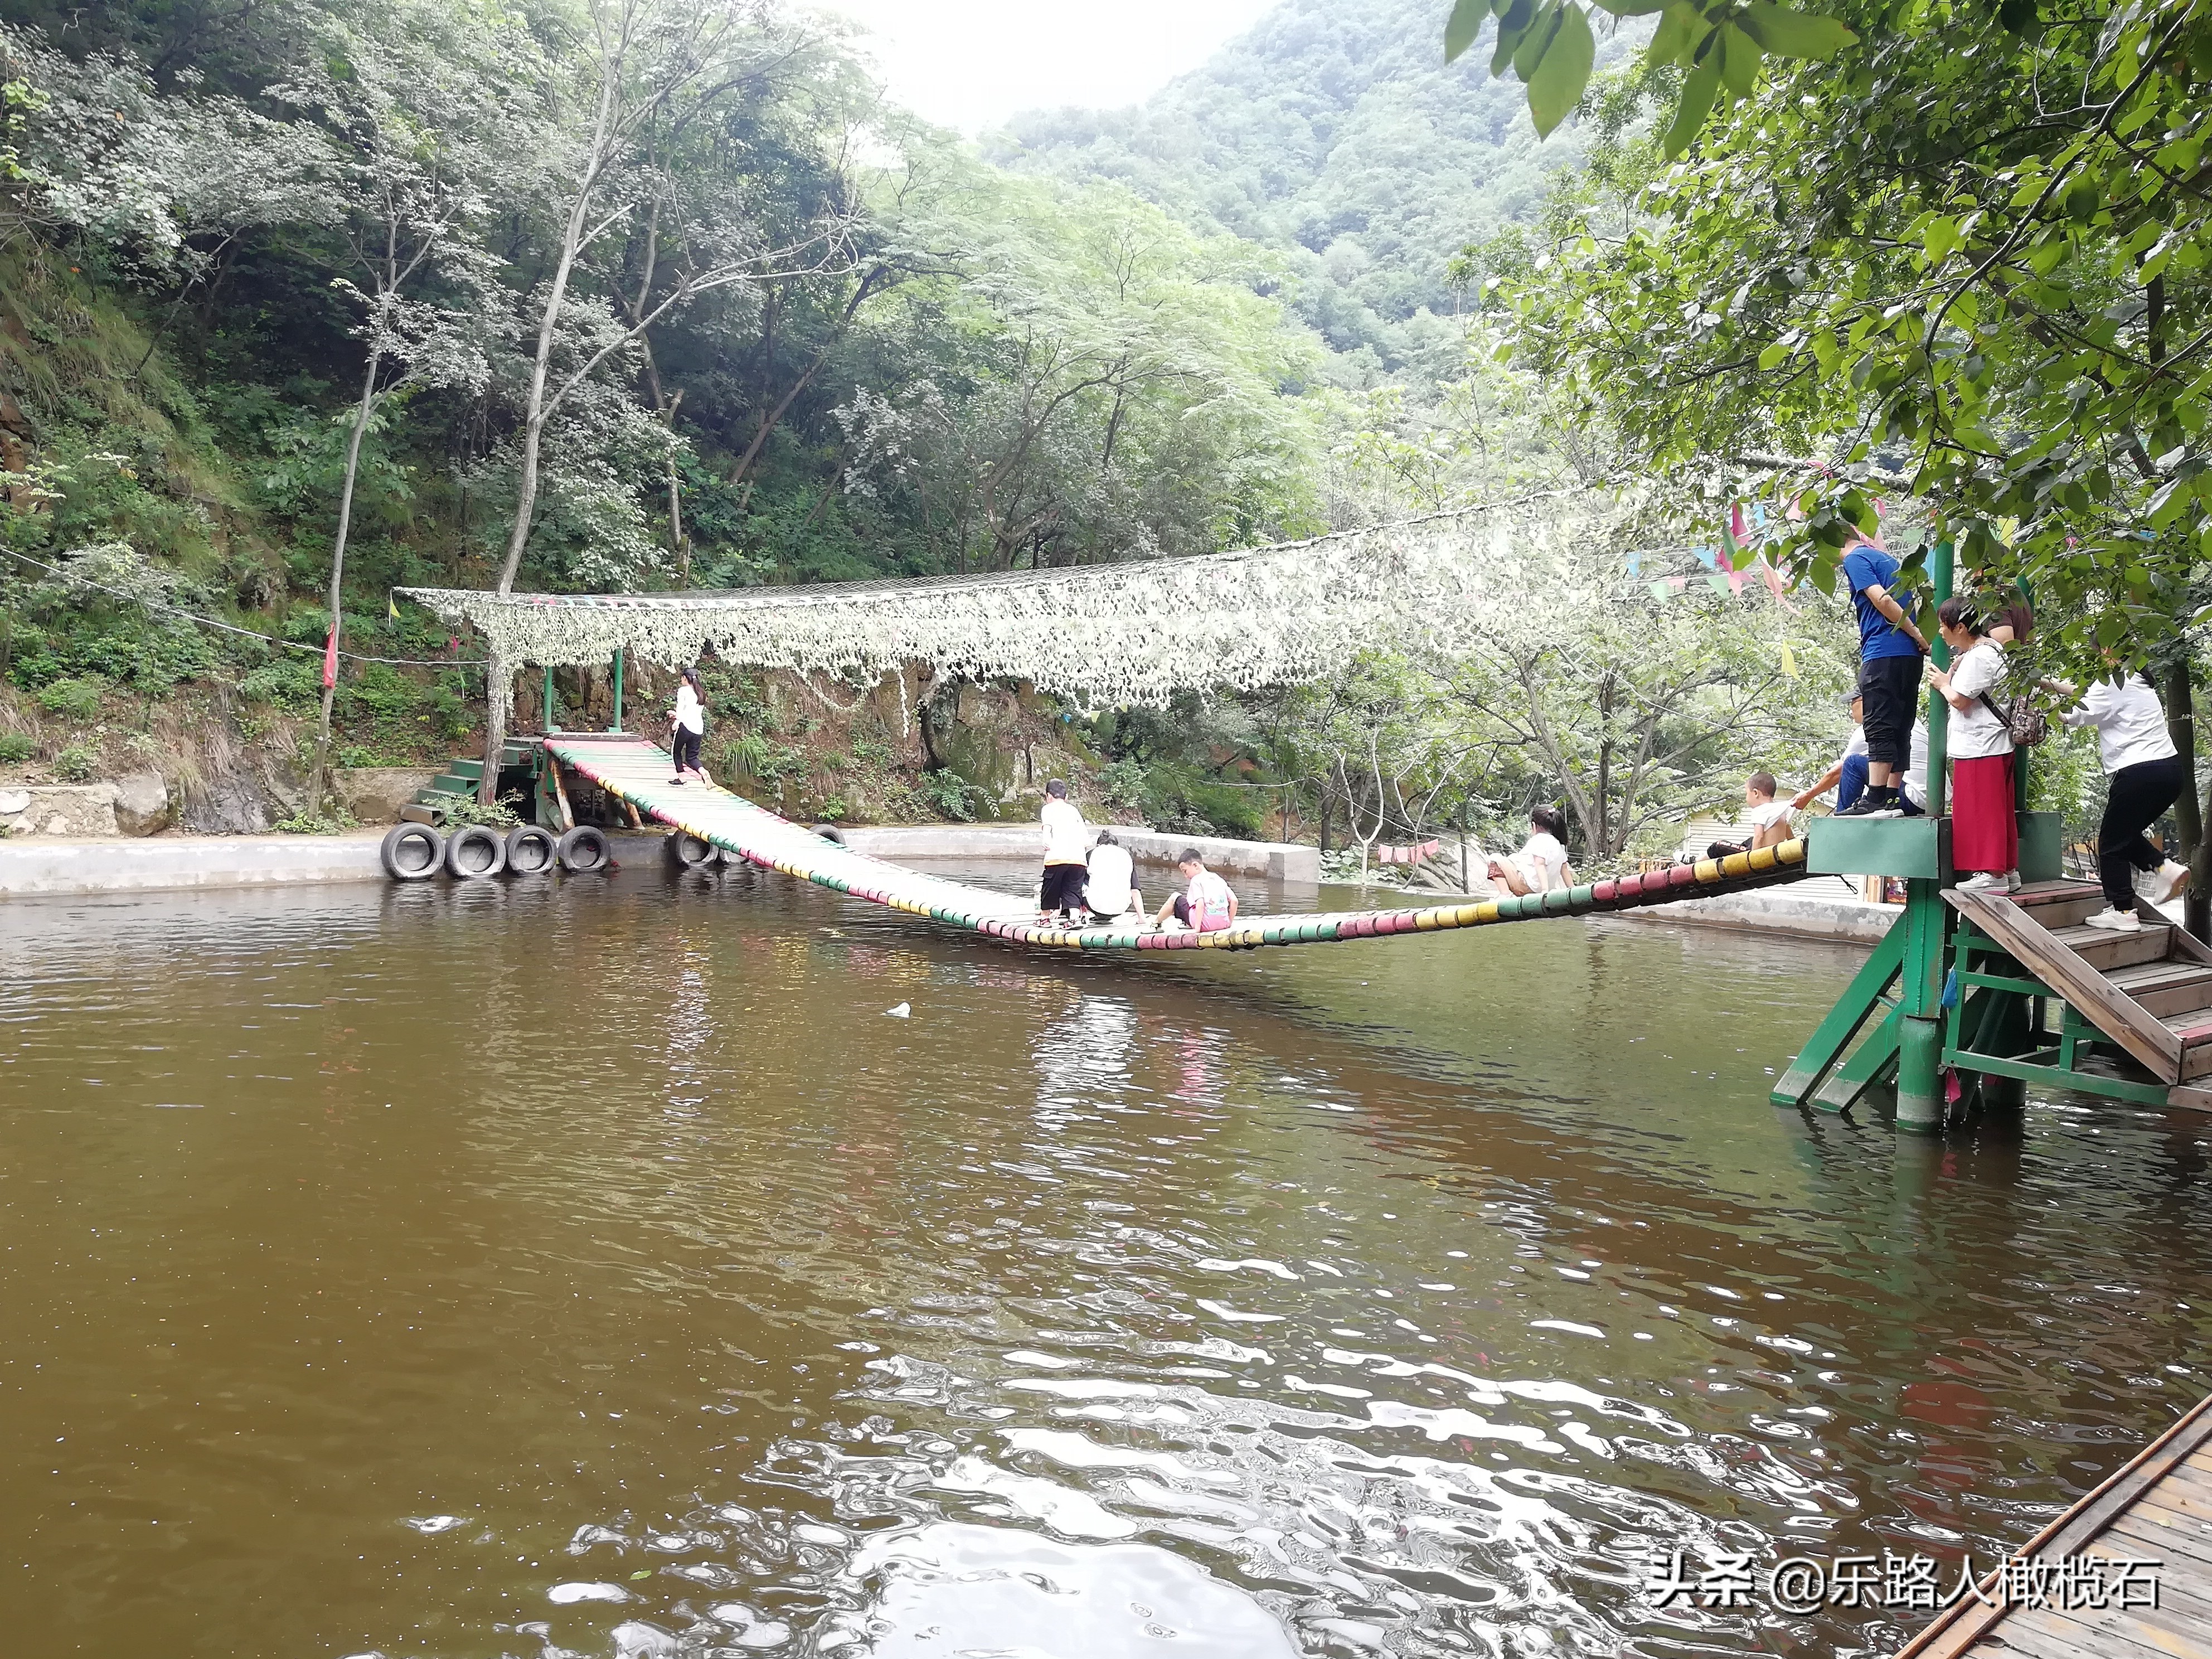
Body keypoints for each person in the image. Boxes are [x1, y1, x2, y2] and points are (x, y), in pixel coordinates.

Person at [2043, 666, 2190, 932]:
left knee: (2111, 843)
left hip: (2138, 772)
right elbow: (2086, 693)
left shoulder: (2112, 682)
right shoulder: (2136, 677)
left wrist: (2045, 703)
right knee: (2123, 835)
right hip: (2169, 771)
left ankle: (2122, 911)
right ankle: (2163, 868)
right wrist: (2047, 683)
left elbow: (2076, 715)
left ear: (2109, 650)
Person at [1836, 537, 1931, 818]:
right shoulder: (1888, 560)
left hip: (1883, 652)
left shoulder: (1855, 559)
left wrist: (1915, 632)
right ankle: (1890, 797)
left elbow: (1882, 600)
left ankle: (1875, 796)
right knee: (1902, 725)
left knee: (1878, 725)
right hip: (1909, 658)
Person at [1926, 598, 2017, 892]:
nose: (1941, 632)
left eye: (1944, 625)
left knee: (1981, 811)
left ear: (1961, 627)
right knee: (1998, 811)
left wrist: (1942, 684)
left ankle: (1992, 873)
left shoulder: (1979, 658)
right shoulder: (1989, 650)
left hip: (1981, 745)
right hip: (1993, 743)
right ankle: (2008, 870)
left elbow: (1961, 700)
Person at [1793, 691, 1929, 817]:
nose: (1850, 710)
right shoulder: (1908, 720)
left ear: (1866, 701)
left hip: (1910, 797)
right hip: (1931, 800)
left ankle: (1842, 819)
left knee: (1852, 763)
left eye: (1853, 703)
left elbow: (1838, 772)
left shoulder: (1873, 727)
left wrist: (1808, 795)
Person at [1483, 805, 1575, 896]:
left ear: (1534, 825)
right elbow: (1564, 870)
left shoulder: (1539, 839)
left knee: (1494, 859)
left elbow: (1540, 864)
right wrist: (1573, 890)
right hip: (1541, 889)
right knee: (1514, 857)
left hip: (1527, 886)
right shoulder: (1559, 845)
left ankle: (1505, 895)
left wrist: (1545, 890)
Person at [1707, 773, 1796, 858]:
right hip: (1773, 854)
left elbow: (1759, 837)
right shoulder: (1781, 811)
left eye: (1747, 793)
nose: (1747, 798)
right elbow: (1789, 836)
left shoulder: (1760, 810)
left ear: (1756, 793)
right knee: (1749, 840)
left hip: (1761, 854)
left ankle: (1695, 861)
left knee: (1718, 846)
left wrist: (1753, 861)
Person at [1037, 778, 1088, 923]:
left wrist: (1046, 840)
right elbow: (1085, 840)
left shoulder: (1048, 808)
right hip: (1078, 859)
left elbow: (1047, 827)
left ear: (1049, 796)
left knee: (1050, 887)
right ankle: (1074, 919)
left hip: (1057, 857)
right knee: (1073, 889)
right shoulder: (1074, 810)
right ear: (1066, 797)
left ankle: (1044, 919)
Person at [1151, 847, 1238, 933]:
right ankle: (1186, 923)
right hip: (1223, 924)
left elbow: (1200, 903)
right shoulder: (1217, 878)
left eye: (1185, 871)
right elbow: (1234, 901)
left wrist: (1197, 929)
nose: (1185, 876)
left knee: (1175, 897)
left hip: (1205, 925)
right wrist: (1229, 923)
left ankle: (1156, 923)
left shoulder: (1196, 880)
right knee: (1187, 902)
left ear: (1195, 865)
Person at [1081, 830, 1142, 924]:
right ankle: (1102, 918)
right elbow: (1135, 890)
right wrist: (1142, 919)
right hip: (1121, 908)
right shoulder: (1126, 856)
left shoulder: (1092, 853)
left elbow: (1077, 882)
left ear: (1098, 845)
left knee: (1076, 879)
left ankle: (1077, 915)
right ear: (1117, 845)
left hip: (1094, 906)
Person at [668, 666, 709, 785]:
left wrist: (675, 716)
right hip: (698, 729)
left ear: (685, 678)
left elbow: (681, 711)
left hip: (686, 727)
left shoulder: (683, 691)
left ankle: (682, 778)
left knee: (676, 752)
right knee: (692, 758)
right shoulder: (701, 692)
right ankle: (703, 771)